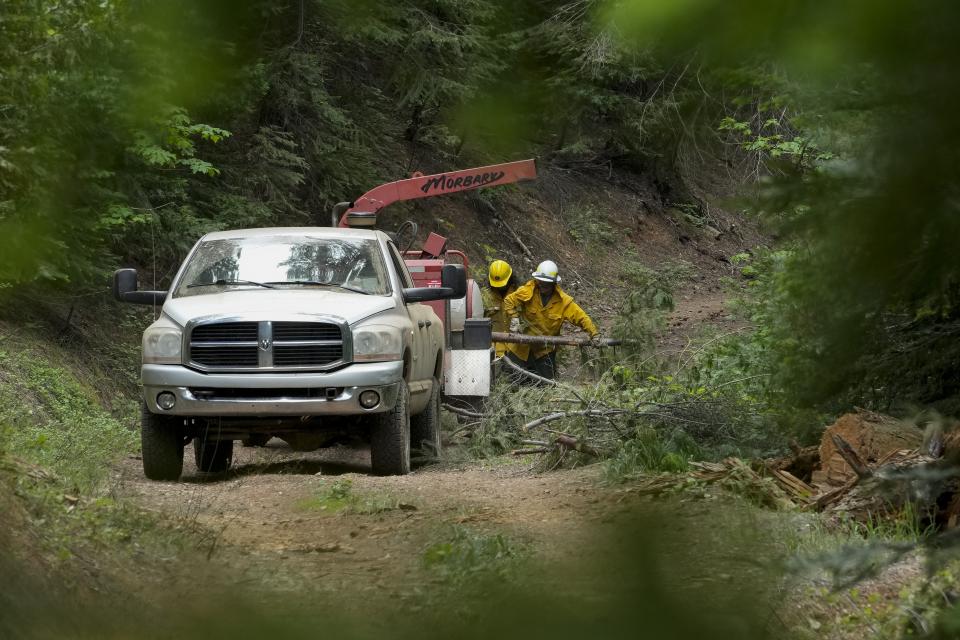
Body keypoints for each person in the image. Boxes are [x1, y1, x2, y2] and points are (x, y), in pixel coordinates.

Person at [503, 259, 601, 380]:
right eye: (541, 281)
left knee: (546, 384)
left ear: (554, 283)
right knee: (512, 379)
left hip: (544, 351)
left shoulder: (563, 302)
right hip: (521, 347)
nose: (543, 285)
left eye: (547, 283)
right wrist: (514, 317)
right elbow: (509, 301)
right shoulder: (527, 291)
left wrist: (594, 333)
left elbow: (581, 317)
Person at [482, 259, 519, 357]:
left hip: (516, 350)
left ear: (510, 278)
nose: (499, 287)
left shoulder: (520, 295)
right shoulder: (484, 296)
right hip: (493, 350)